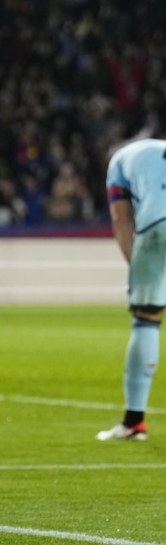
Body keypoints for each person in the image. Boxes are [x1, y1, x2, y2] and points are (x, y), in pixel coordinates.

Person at [97, 138, 166, 441]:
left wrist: (139, 271)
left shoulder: (117, 163)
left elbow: (122, 222)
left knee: (146, 321)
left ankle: (133, 422)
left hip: (158, 225)